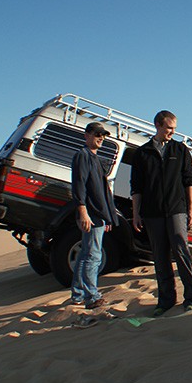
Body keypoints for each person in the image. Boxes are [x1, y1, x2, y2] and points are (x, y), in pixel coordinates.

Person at [130, 110, 192, 315]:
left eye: (174, 129)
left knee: (182, 253)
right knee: (160, 257)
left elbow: (189, 181)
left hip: (176, 210)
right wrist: (136, 213)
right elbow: (136, 187)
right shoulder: (142, 153)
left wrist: (191, 209)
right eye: (169, 128)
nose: (172, 132)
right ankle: (166, 301)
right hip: (152, 213)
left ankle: (191, 298)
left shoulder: (180, 150)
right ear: (158, 126)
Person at [70, 121, 119, 309]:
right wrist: (82, 211)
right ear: (87, 135)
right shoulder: (82, 156)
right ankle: (92, 296)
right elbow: (79, 185)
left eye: (103, 135)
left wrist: (106, 217)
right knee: (93, 256)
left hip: (98, 215)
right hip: (90, 214)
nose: (101, 138)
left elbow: (102, 191)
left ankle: (78, 294)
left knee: (86, 254)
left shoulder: (95, 158)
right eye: (97, 134)